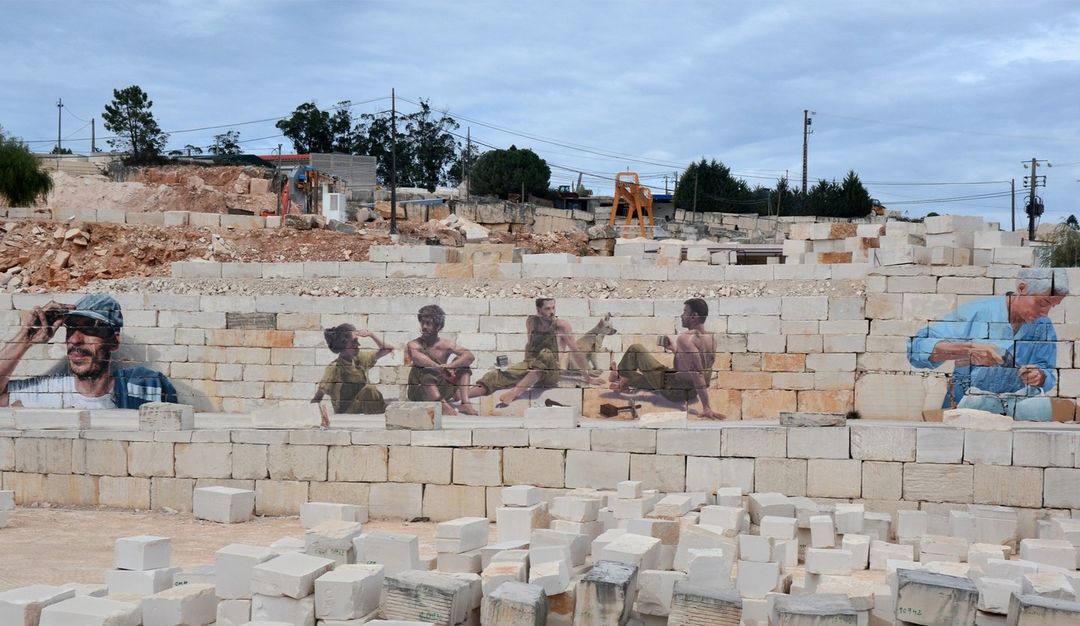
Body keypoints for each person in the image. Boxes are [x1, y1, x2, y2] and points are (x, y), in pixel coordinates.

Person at [908, 268, 1068, 421]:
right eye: (1042, 303)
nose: (1045, 313)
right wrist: (968, 349)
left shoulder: (1044, 327)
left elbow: (1048, 373)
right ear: (1022, 288)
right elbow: (917, 347)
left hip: (1015, 418)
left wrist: (1039, 376)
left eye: (1052, 306)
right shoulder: (976, 312)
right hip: (964, 414)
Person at [0, 294, 176, 409]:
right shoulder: (47, 392)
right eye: (71, 328)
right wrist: (25, 338)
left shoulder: (145, 388)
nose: (76, 340)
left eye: (90, 329)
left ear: (114, 341)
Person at [470, 298, 604, 406]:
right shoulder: (531, 322)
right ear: (539, 310)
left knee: (546, 353)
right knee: (495, 374)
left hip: (551, 370)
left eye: (553, 307)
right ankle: (463, 395)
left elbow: (575, 351)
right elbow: (529, 344)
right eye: (547, 308)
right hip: (532, 364)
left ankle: (514, 393)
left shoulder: (561, 325)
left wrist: (587, 377)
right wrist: (522, 369)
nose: (552, 311)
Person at [609, 297, 725, 420]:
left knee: (636, 349)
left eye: (685, 312)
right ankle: (621, 378)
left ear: (694, 316)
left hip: (673, 388)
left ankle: (622, 379)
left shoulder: (686, 338)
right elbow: (695, 366)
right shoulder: (711, 339)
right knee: (645, 378)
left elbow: (698, 374)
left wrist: (706, 407)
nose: (681, 316)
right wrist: (674, 349)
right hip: (689, 391)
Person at [405, 305, 478, 416]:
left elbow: (469, 356)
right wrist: (439, 368)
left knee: (463, 365)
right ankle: (442, 406)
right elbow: (417, 357)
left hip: (442, 388)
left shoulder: (446, 344)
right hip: (419, 392)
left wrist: (452, 365)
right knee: (426, 370)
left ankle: (465, 403)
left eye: (428, 324)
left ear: (438, 327)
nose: (424, 327)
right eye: (422, 323)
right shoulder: (414, 344)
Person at [311, 323, 393, 414]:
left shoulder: (359, 358)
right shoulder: (334, 368)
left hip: (365, 408)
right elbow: (318, 396)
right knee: (370, 390)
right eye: (354, 341)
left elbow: (388, 349)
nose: (358, 344)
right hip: (347, 412)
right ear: (344, 344)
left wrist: (371, 335)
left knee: (372, 392)